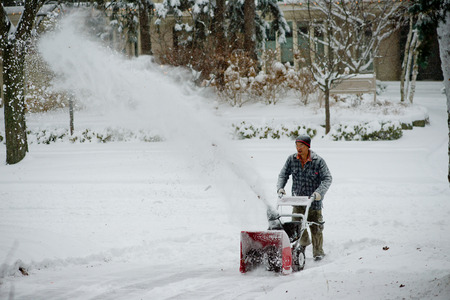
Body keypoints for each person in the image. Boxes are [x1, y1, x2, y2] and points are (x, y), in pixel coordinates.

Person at [277, 134, 332, 261]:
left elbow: (327, 178)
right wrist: (280, 188)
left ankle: (318, 253)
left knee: (316, 227)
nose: (298, 148)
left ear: (307, 146)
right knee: (297, 224)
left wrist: (319, 193)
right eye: (296, 145)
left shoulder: (318, 161)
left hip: (314, 201)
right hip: (297, 201)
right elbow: (283, 175)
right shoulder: (292, 159)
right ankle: (303, 244)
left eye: (301, 145)